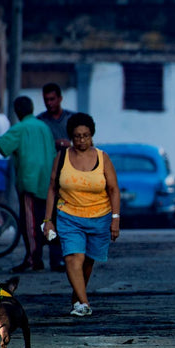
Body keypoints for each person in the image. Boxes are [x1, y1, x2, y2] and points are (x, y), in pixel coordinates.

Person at [0, 96, 60, 272]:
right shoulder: (44, 127)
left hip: (30, 180)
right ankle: (45, 258)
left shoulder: (20, 128)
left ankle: (32, 259)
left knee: (30, 222)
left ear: (17, 111)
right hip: (48, 181)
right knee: (45, 219)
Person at [42, 113, 121, 317]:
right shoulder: (62, 157)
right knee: (73, 257)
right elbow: (52, 188)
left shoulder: (103, 158)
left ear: (92, 135)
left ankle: (77, 296)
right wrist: (48, 221)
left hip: (99, 217)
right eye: (77, 136)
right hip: (69, 215)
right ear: (71, 137)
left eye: (86, 135)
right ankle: (84, 303)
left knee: (87, 262)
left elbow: (113, 189)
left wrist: (115, 220)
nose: (82, 140)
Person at [38, 82, 75, 151]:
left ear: (60, 99)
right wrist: (54, 143)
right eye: (46, 100)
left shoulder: (73, 118)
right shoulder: (40, 121)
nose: (49, 103)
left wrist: (70, 144)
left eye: (52, 99)